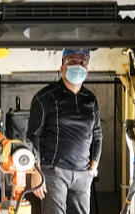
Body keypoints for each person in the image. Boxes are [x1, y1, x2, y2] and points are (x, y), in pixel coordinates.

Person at [26, 49, 103, 214]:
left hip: (83, 174)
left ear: (87, 70)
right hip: (54, 172)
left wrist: (92, 168)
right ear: (62, 68)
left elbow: (97, 136)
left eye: (82, 62)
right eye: (72, 61)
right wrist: (36, 171)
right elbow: (33, 135)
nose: (78, 65)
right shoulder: (45, 97)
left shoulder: (91, 100)